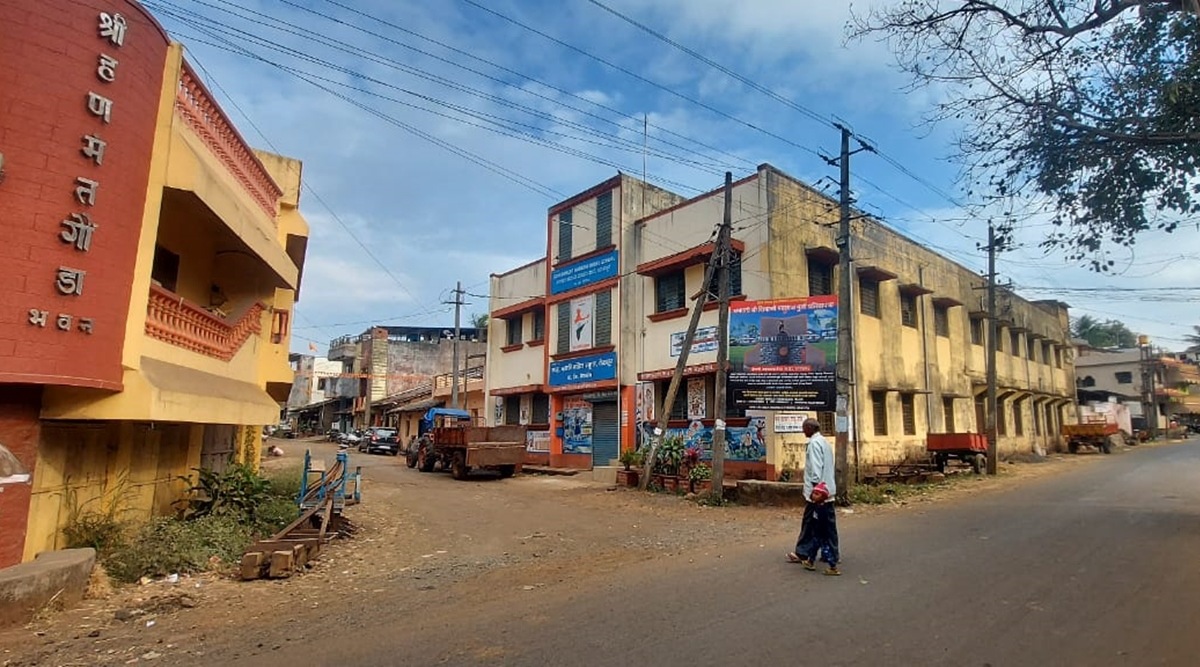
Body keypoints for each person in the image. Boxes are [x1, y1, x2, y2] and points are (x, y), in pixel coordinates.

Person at [786, 418, 840, 576]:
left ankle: (803, 553)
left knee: (810, 523)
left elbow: (816, 470)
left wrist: (816, 491)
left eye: (804, 428)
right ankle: (831, 554)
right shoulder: (824, 442)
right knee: (828, 525)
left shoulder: (814, 444)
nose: (803, 431)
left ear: (810, 428)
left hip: (817, 493)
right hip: (827, 490)